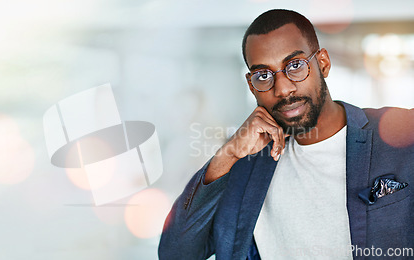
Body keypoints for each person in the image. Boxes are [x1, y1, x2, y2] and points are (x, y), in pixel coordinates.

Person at [158, 9, 414, 260]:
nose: (282, 88)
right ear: (251, 85)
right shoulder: (243, 165)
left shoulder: (401, 134)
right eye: (264, 75)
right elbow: (175, 253)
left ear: (322, 63)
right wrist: (229, 154)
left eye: (295, 65)